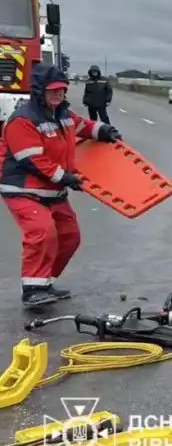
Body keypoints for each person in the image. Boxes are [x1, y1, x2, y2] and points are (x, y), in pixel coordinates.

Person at [0, 64, 121, 306]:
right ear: (39, 91)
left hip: (52, 190)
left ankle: (43, 283)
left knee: (69, 236)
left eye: (62, 89)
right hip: (23, 189)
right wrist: (65, 177)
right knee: (42, 232)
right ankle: (32, 290)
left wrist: (104, 130)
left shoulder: (63, 114)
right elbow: (33, 161)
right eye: (53, 90)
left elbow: (82, 126)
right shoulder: (22, 120)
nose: (59, 94)